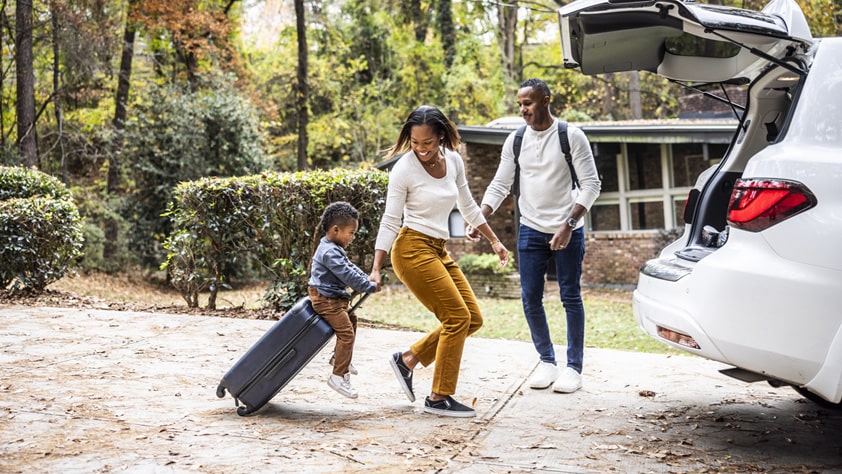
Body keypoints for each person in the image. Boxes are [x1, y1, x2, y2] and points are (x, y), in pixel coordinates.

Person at [369, 105, 510, 418]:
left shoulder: (454, 161)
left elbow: (468, 205)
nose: (421, 149)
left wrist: (494, 240)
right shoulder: (404, 169)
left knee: (472, 318)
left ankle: (407, 359)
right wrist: (376, 268)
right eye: (415, 143)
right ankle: (438, 397)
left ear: (441, 136)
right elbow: (390, 220)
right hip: (411, 249)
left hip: (437, 248)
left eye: (428, 143)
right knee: (456, 318)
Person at [467, 78, 601, 394]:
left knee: (570, 296)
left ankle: (574, 368)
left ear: (545, 100)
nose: (523, 110)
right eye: (520, 105)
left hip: (568, 228)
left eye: (527, 103)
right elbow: (500, 185)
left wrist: (568, 225)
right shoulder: (515, 141)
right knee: (530, 297)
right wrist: (479, 216)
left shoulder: (571, 136)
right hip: (530, 228)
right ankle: (547, 361)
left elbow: (591, 185)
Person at [308, 201, 379, 399]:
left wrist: (366, 278)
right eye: (351, 233)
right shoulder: (329, 252)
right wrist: (367, 285)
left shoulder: (332, 247)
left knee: (352, 319)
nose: (353, 237)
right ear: (335, 229)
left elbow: (349, 267)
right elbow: (346, 274)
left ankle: (340, 359)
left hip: (332, 299)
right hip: (326, 301)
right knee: (346, 333)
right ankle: (338, 376)